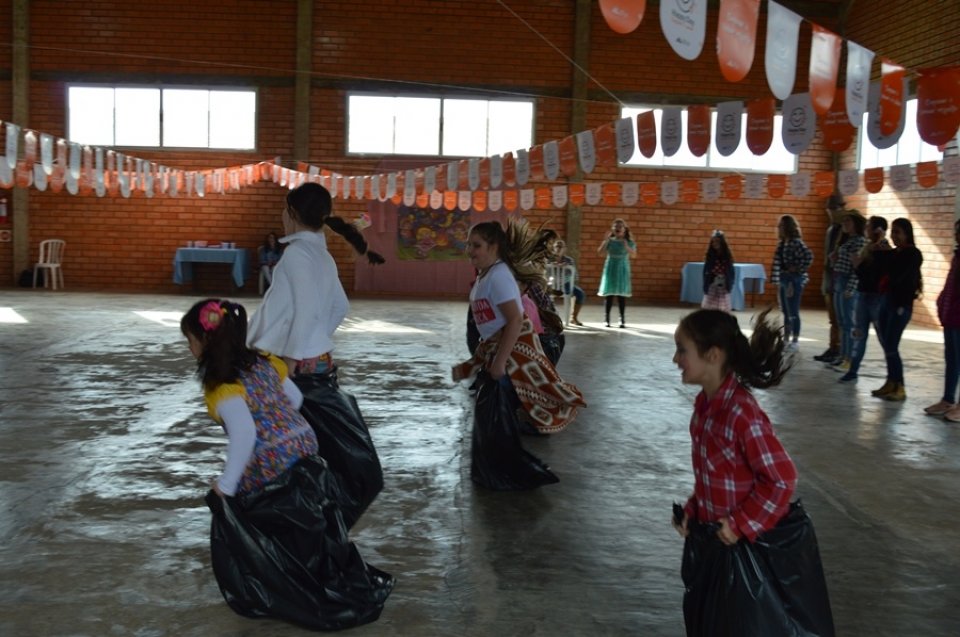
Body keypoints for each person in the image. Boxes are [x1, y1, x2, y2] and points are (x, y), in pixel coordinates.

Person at [181, 298, 393, 630]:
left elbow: (244, 433)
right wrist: (275, 416)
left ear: (205, 342)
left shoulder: (221, 385)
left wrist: (226, 486)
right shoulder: (263, 362)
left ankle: (277, 577)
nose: (189, 348)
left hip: (272, 460)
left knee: (247, 504)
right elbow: (294, 399)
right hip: (306, 446)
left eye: (190, 340)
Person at [671, 309, 834, 636]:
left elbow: (782, 478)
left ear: (713, 355)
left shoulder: (741, 413)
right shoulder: (705, 407)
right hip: (719, 544)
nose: (676, 359)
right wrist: (694, 510)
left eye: (682, 349)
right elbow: (713, 477)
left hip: (746, 548)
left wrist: (741, 524)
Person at [247, 182, 385, 529]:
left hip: (295, 368)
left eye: (283, 209)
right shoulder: (321, 254)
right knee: (315, 448)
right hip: (318, 362)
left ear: (292, 213)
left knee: (286, 450)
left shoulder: (296, 254)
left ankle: (296, 520)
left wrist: (292, 360)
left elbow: (307, 309)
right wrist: (318, 339)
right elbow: (339, 306)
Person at [452, 221, 586, 489]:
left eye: (476, 245)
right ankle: (497, 471)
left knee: (497, 417)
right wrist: (475, 363)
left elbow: (515, 321)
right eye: (469, 244)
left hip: (511, 356)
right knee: (493, 419)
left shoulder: (499, 275)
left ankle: (505, 473)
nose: (470, 250)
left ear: (494, 246)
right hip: (496, 351)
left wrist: (500, 363)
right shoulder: (486, 274)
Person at [871, 218, 924, 402]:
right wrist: (881, 252)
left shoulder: (913, 254)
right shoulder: (895, 253)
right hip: (886, 300)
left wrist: (887, 255)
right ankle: (890, 381)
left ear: (907, 234)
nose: (894, 236)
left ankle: (900, 385)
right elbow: (879, 270)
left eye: (898, 232)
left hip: (900, 304)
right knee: (887, 345)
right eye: (893, 232)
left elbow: (897, 275)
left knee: (892, 345)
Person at [841, 216, 892, 383]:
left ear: (878, 229)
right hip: (863, 296)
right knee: (859, 334)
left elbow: (873, 275)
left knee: (883, 337)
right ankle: (853, 370)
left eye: (869, 226)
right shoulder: (867, 247)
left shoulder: (883, 248)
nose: (866, 229)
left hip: (876, 298)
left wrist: (858, 265)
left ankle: (893, 374)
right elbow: (864, 275)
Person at [827, 210, 867, 371]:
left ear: (856, 223)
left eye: (848, 221)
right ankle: (842, 355)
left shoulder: (859, 242)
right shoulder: (847, 240)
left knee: (849, 323)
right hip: (839, 279)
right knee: (842, 322)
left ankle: (849, 358)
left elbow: (856, 270)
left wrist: (851, 288)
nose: (844, 224)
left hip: (847, 282)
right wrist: (834, 259)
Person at [930, 219, 960, 421]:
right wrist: (941, 303)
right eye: (956, 231)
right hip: (951, 316)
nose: (956, 235)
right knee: (951, 360)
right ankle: (948, 398)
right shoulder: (958, 256)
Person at [771, 215, 814, 351]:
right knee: (785, 310)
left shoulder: (796, 242)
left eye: (781, 226)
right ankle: (786, 338)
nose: (779, 228)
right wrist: (776, 280)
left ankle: (795, 340)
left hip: (793, 280)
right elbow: (777, 262)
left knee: (793, 311)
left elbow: (808, 256)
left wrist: (797, 268)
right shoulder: (783, 243)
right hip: (784, 279)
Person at [814, 194, 847, 362]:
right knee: (833, 318)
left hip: (841, 277)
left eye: (834, 209)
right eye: (829, 209)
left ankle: (841, 349)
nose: (831, 213)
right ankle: (833, 346)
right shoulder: (831, 229)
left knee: (841, 318)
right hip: (829, 277)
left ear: (842, 208)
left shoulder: (845, 229)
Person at [597, 218, 636, 328]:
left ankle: (622, 318)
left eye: (620, 227)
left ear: (624, 229)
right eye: (616, 227)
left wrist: (626, 246)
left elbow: (634, 255)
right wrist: (605, 241)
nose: (618, 228)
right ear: (613, 229)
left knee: (621, 294)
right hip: (611, 267)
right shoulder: (610, 241)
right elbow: (600, 253)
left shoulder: (629, 242)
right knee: (609, 294)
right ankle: (607, 318)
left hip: (622, 268)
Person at [550, 239, 585, 326]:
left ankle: (574, 317)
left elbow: (575, 276)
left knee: (580, 293)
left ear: (565, 249)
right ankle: (549, 318)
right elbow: (543, 273)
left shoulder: (569, 260)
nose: (559, 248)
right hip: (550, 285)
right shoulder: (548, 259)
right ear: (553, 248)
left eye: (561, 247)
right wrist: (553, 266)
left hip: (566, 285)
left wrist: (566, 268)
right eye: (557, 246)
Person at [701, 230, 735, 312]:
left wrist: (729, 282)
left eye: (717, 242)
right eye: (713, 242)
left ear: (722, 243)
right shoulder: (710, 255)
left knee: (722, 303)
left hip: (723, 283)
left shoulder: (727, 256)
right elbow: (706, 270)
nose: (715, 244)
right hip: (712, 282)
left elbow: (731, 271)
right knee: (710, 303)